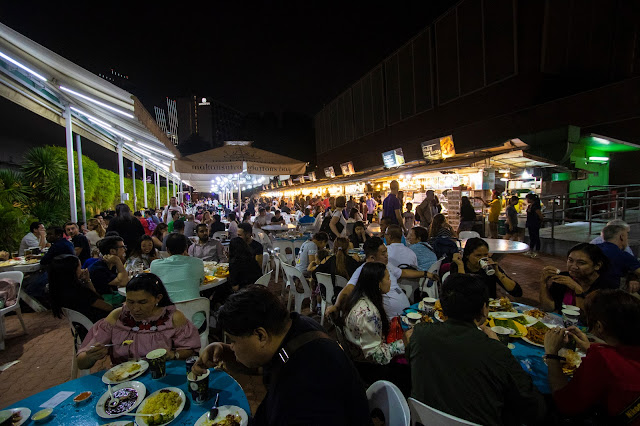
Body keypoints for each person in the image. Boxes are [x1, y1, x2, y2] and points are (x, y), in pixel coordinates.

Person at [193, 286, 371, 426]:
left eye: (233, 341)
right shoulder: (298, 327)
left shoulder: (300, 394)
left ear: (261, 335)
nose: (232, 346)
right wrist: (228, 353)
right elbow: (268, 366)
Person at [404, 274, 545, 425]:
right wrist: (496, 345)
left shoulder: (420, 334)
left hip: (423, 420)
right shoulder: (495, 351)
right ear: (484, 309)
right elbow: (535, 408)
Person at [544, 289, 640, 423]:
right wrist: (589, 346)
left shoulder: (603, 358)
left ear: (599, 326)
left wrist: (552, 354)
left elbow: (566, 403)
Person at [76, 273, 200, 369]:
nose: (135, 309)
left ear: (158, 298)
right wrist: (90, 356)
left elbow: (190, 351)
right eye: (130, 302)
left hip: (160, 375)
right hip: (123, 377)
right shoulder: (117, 317)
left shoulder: (172, 318)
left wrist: (174, 355)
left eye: (142, 302)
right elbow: (81, 363)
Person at [340, 262, 410, 393]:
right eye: (388, 278)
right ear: (378, 284)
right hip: (368, 368)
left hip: (360, 356)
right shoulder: (368, 313)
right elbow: (377, 357)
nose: (390, 282)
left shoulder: (358, 298)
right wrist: (403, 343)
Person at [329, 237, 435, 319]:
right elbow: (348, 289)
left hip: (405, 313)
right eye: (383, 253)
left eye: (386, 252)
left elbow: (403, 272)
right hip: (391, 320)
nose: (387, 255)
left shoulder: (386, 265)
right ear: (372, 258)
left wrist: (426, 274)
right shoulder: (364, 271)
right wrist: (336, 306)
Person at [150, 233, 206, 328]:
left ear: (167, 249)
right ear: (186, 248)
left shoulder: (155, 265)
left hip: (165, 320)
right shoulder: (198, 263)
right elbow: (201, 281)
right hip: (194, 321)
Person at [539, 243, 614, 313]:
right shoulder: (563, 278)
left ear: (597, 265)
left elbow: (586, 320)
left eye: (581, 263)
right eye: (570, 260)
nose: (573, 266)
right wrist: (543, 282)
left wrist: (578, 291)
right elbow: (548, 308)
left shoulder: (606, 288)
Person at [48, 254, 113, 323]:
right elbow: (108, 307)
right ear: (72, 271)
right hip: (100, 325)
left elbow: (93, 297)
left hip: (82, 325)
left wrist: (87, 280)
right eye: (80, 267)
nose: (82, 269)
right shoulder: (79, 292)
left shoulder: (58, 290)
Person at [451, 237, 522, 299]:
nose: (482, 258)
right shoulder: (458, 265)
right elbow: (459, 293)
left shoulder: (489, 267)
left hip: (488, 308)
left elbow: (517, 292)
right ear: (467, 255)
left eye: (485, 255)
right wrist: (460, 266)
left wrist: (498, 273)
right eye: (478, 255)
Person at [595, 224, 640, 291]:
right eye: (627, 236)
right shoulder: (623, 255)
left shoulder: (590, 249)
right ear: (622, 237)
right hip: (609, 295)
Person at [88, 236, 129, 305]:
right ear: (112, 251)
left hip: (113, 296)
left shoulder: (110, 265)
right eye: (122, 247)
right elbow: (124, 282)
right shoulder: (99, 269)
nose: (125, 249)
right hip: (106, 303)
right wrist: (118, 261)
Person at [525, 193, 543, 257]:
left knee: (536, 237)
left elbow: (540, 215)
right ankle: (531, 250)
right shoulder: (530, 206)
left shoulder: (536, 206)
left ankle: (537, 251)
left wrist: (540, 221)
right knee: (532, 237)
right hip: (530, 223)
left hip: (534, 223)